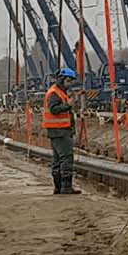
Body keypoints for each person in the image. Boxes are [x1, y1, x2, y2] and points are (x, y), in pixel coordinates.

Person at [43, 66, 80, 195]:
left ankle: (59, 187)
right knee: (66, 158)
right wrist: (68, 105)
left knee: (58, 160)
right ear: (62, 79)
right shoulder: (54, 93)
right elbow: (54, 109)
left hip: (58, 130)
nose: (69, 84)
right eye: (68, 81)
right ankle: (65, 187)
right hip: (59, 130)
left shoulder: (59, 92)